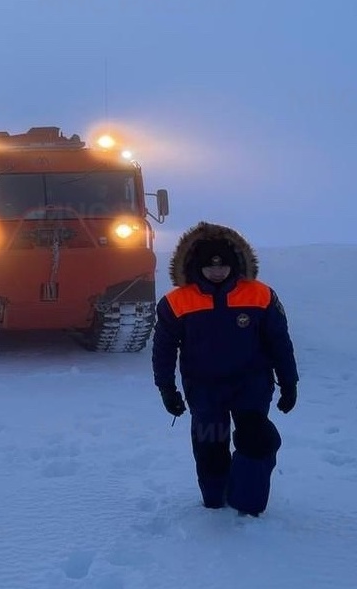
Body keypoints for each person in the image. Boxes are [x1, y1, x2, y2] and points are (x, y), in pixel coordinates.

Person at [151, 221, 299, 516]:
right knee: (211, 446)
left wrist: (289, 382)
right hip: (205, 389)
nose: (216, 271)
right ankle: (216, 501)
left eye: (222, 265)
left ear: (234, 264)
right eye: (209, 266)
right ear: (196, 265)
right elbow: (164, 349)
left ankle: (247, 504)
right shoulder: (176, 302)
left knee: (257, 440)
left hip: (251, 385)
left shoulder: (260, 295)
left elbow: (279, 341)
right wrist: (167, 388)